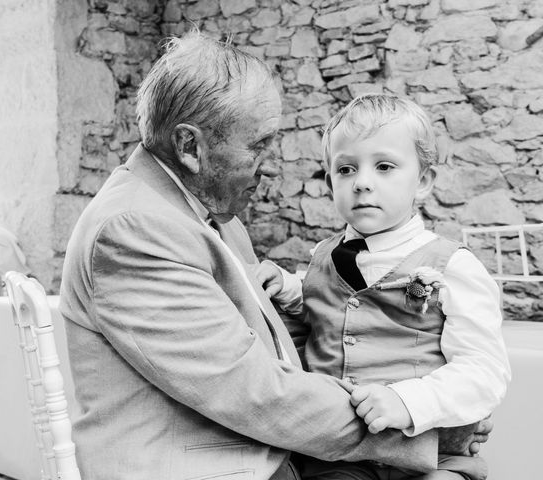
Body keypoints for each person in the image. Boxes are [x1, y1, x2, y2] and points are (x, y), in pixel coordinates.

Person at [59, 33, 490, 480]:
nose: (271, 164)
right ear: (190, 147)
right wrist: (425, 433)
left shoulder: (211, 216)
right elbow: (252, 390)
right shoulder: (135, 228)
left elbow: (277, 345)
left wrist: (422, 399)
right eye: (258, 144)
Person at [256, 94, 510, 480]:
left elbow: (483, 370)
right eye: (345, 170)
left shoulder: (453, 265)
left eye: (385, 166)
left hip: (433, 455)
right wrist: (287, 288)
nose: (362, 183)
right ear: (330, 182)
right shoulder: (322, 258)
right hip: (338, 458)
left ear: (422, 181)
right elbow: (320, 301)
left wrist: (406, 401)